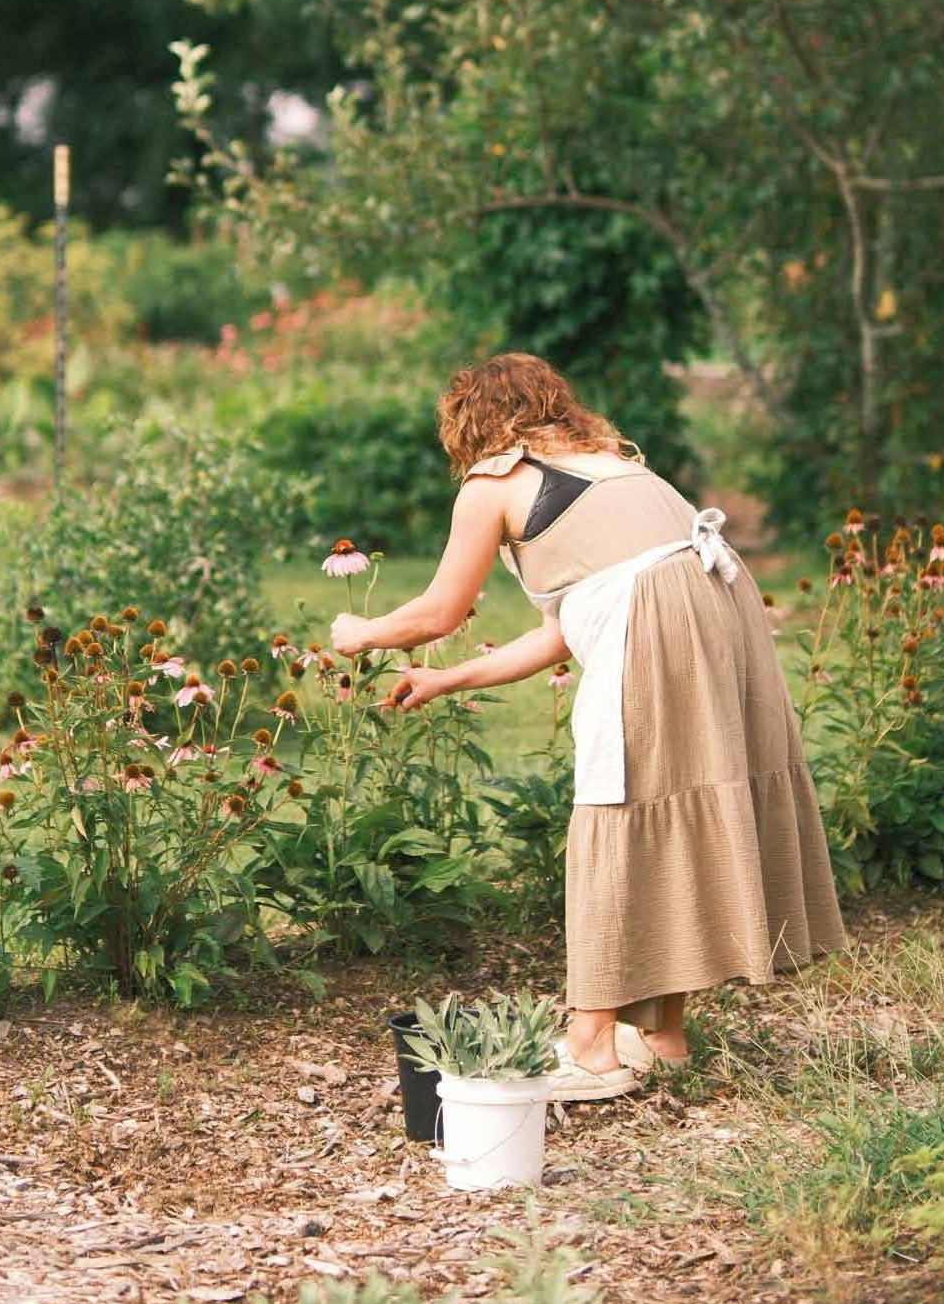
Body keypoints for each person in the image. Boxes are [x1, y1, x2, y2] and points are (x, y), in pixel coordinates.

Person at [330, 352, 845, 1100]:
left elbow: (441, 611)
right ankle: (661, 1035)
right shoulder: (614, 464)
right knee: (671, 802)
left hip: (657, 622)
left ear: (466, 420)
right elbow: (562, 629)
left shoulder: (494, 481)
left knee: (616, 805)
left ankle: (593, 1044)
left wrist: (362, 630)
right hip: (717, 609)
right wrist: (445, 677)